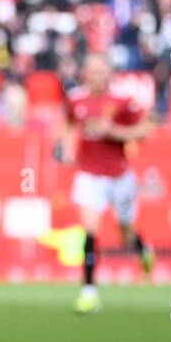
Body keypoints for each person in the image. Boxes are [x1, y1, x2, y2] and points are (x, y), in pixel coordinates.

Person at [60, 52, 154, 313]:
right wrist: (68, 149)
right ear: (85, 73)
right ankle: (89, 292)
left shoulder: (123, 100)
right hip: (89, 174)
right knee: (90, 231)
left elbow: (145, 130)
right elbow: (69, 124)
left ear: (109, 73)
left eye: (101, 71)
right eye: (92, 71)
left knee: (125, 234)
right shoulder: (76, 99)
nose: (96, 76)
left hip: (119, 175)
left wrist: (113, 132)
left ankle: (141, 247)